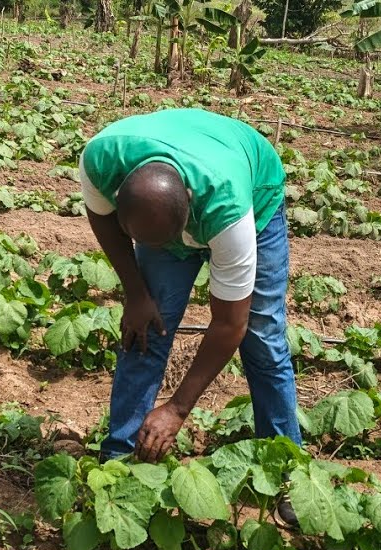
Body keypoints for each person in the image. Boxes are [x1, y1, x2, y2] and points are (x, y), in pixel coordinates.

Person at [79, 108, 301, 462]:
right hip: (182, 173)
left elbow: (231, 323)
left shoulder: (228, 212)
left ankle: (285, 466)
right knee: (145, 329)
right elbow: (101, 218)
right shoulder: (102, 160)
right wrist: (136, 293)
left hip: (253, 184)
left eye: (173, 240)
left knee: (263, 337)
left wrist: (178, 408)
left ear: (189, 204)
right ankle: (119, 460)